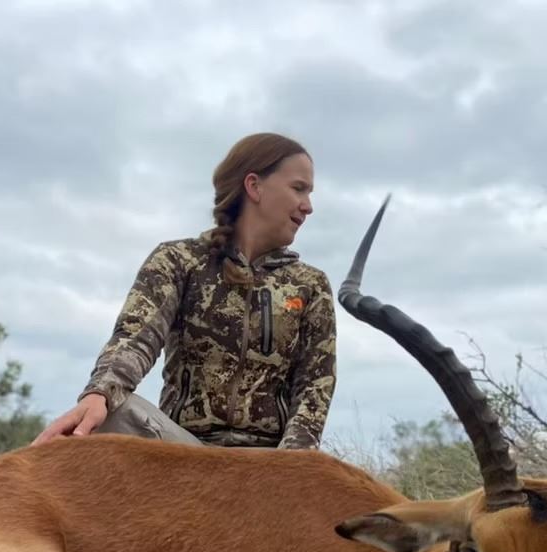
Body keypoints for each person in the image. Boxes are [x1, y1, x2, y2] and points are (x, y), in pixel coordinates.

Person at [32, 132, 337, 450]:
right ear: (254, 186)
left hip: (267, 460)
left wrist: (290, 465)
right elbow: (135, 338)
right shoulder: (178, 261)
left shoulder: (310, 284)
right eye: (298, 188)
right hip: (183, 452)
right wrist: (100, 393)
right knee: (111, 409)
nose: (308, 206)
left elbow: (315, 386)